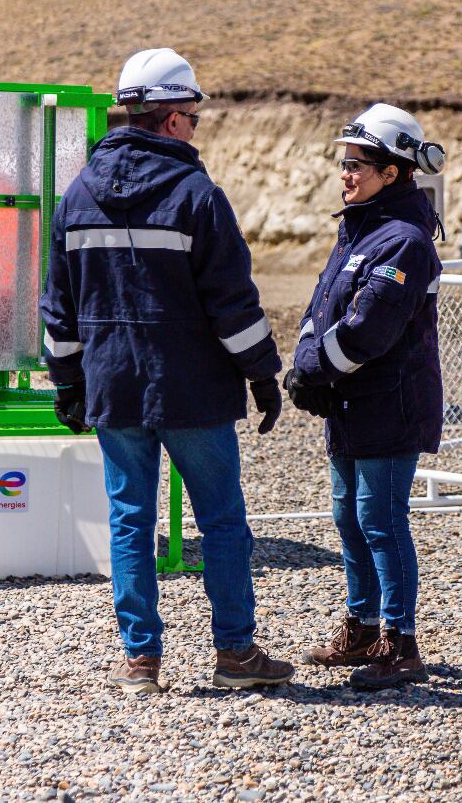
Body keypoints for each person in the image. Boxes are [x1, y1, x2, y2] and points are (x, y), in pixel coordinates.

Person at [41, 48, 293, 694]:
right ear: (174, 119)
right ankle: (235, 652)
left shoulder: (77, 197)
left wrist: (68, 381)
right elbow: (232, 304)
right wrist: (262, 373)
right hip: (194, 393)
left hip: (112, 388)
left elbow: (58, 308)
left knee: (130, 520)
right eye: (195, 118)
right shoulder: (196, 196)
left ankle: (141, 661)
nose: (196, 129)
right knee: (222, 521)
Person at [284, 104, 444, 690]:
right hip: (352, 402)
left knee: (380, 520)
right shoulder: (361, 229)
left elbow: (368, 329)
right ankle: (362, 625)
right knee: (348, 516)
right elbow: (321, 309)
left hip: (389, 402)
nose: (346, 174)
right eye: (344, 163)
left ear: (395, 173)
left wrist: (314, 372)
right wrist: (308, 367)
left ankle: (401, 644)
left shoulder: (401, 240)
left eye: (358, 164)